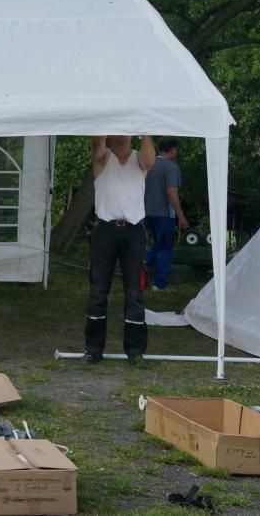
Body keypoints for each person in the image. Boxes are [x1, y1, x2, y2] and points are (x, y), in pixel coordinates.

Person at [82, 135, 156, 365]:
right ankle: (93, 350)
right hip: (105, 230)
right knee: (98, 291)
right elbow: (97, 142)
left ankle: (135, 351)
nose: (123, 134)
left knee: (135, 291)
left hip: (134, 230)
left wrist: (145, 130)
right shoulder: (103, 157)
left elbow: (150, 160)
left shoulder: (139, 158)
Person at [144, 138, 189, 291]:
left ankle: (139, 274)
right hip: (164, 214)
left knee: (157, 245)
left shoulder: (149, 165)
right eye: (176, 150)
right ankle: (160, 284)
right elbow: (171, 192)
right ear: (172, 149)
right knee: (166, 248)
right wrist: (181, 216)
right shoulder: (171, 167)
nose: (177, 153)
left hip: (147, 213)